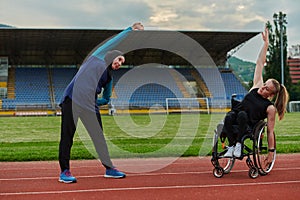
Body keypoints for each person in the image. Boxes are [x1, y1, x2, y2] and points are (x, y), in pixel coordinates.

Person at [58, 22, 144, 183]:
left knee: (99, 138)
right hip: (72, 100)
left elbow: (106, 98)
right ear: (111, 55)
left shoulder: (109, 77)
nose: (119, 63)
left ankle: (109, 168)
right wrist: (130, 30)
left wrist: (95, 101)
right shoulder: (97, 57)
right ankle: (65, 172)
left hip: (90, 105)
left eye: (122, 63)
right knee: (67, 137)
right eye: (119, 59)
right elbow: (114, 41)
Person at [223, 26, 289, 162]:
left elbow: (270, 131)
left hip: (249, 125)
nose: (262, 88)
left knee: (241, 115)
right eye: (265, 84)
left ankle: (239, 145)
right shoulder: (257, 85)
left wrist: (271, 153)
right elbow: (260, 63)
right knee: (229, 116)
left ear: (270, 95)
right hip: (237, 118)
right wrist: (265, 45)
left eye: (266, 89)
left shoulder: (270, 107)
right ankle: (231, 146)